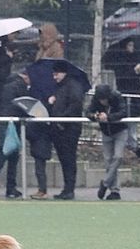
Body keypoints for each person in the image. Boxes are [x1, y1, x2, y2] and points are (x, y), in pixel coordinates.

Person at [0, 69, 29, 199]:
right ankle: (6, 187)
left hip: (3, 122)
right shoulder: (20, 87)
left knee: (4, 155)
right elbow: (22, 106)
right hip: (12, 124)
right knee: (8, 157)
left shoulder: (7, 86)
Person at [48, 60, 84, 200]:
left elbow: (75, 105)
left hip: (69, 128)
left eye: (56, 74)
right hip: (59, 127)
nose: (54, 77)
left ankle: (69, 188)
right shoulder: (61, 87)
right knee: (64, 159)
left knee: (68, 158)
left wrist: (62, 118)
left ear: (63, 73)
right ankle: (67, 188)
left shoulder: (73, 86)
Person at [103, 38, 140, 147]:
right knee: (124, 114)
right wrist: (134, 71)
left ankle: (132, 142)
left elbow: (136, 76)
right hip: (124, 92)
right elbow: (123, 76)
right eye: (130, 45)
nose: (132, 48)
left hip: (135, 93)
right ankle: (125, 141)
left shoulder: (134, 58)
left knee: (133, 115)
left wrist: (138, 72)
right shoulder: (118, 60)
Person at [86, 84, 127, 200]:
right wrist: (95, 116)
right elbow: (88, 112)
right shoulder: (96, 100)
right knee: (108, 160)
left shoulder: (117, 97)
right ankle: (114, 190)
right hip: (106, 132)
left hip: (120, 130)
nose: (103, 102)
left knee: (118, 157)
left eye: (104, 99)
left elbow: (124, 112)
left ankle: (105, 183)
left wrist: (108, 117)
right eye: (100, 100)